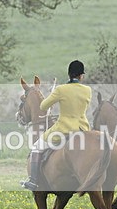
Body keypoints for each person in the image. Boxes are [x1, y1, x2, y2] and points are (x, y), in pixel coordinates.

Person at [21, 60, 92, 190]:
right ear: (81, 76)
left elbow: (43, 106)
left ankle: (33, 181)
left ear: (69, 74)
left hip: (64, 129)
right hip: (83, 129)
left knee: (37, 147)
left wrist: (52, 99)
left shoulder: (61, 90)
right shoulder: (87, 90)